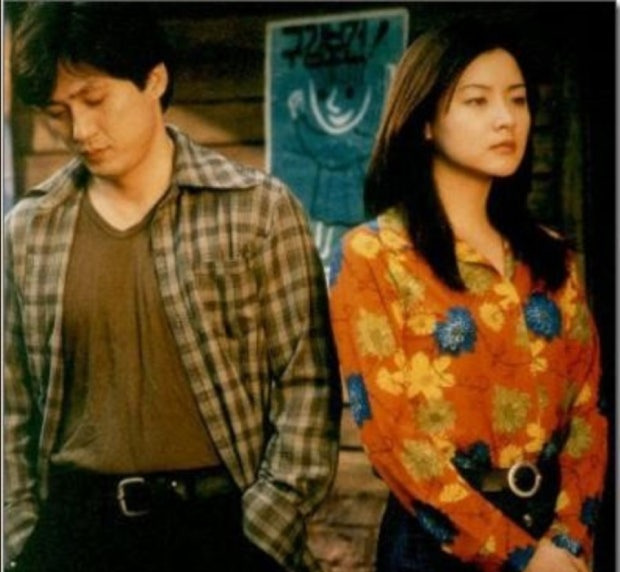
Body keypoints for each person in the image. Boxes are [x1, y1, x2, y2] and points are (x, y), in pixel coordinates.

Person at [4, 3, 341, 571]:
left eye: (94, 99)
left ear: (154, 79)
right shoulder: (29, 230)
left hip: (220, 525)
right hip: (74, 532)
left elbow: (307, 382)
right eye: (59, 113)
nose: (80, 130)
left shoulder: (257, 210)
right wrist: (21, 533)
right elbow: (10, 401)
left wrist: (269, 527)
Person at [328, 18, 608, 572]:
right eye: (477, 101)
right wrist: (521, 556)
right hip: (436, 547)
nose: (506, 118)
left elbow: (589, 410)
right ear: (425, 121)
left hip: (555, 539)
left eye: (518, 100)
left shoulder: (551, 256)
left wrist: (569, 541)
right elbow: (392, 437)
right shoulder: (375, 255)